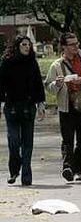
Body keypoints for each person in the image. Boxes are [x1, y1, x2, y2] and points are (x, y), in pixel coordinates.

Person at [45, 33, 81, 182]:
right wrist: (57, 84)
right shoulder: (57, 65)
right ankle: (67, 166)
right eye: (72, 44)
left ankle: (79, 169)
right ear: (64, 46)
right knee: (67, 139)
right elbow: (48, 87)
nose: (76, 46)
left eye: (77, 43)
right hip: (66, 105)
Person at [0, 35, 45, 186]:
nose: (27, 47)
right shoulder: (7, 62)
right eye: (24, 45)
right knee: (14, 141)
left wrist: (41, 105)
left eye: (29, 45)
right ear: (17, 46)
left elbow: (38, 84)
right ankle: (14, 169)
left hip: (28, 107)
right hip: (12, 106)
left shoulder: (32, 63)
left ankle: (26, 175)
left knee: (27, 143)